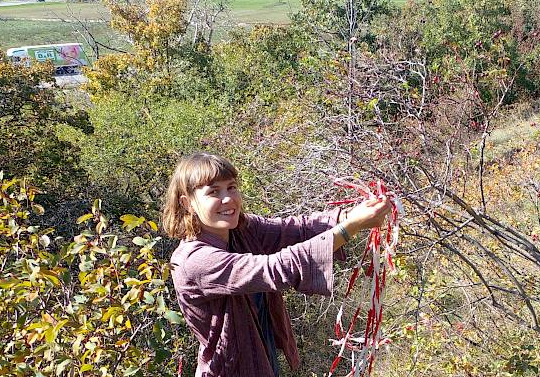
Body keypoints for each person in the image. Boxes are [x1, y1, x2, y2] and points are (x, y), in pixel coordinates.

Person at [162, 152, 392, 377]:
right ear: (188, 203)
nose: (228, 198)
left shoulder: (242, 231)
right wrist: (350, 228)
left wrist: (350, 215)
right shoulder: (193, 261)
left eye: (232, 187)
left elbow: (296, 229)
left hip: (262, 360)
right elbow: (273, 269)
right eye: (214, 192)